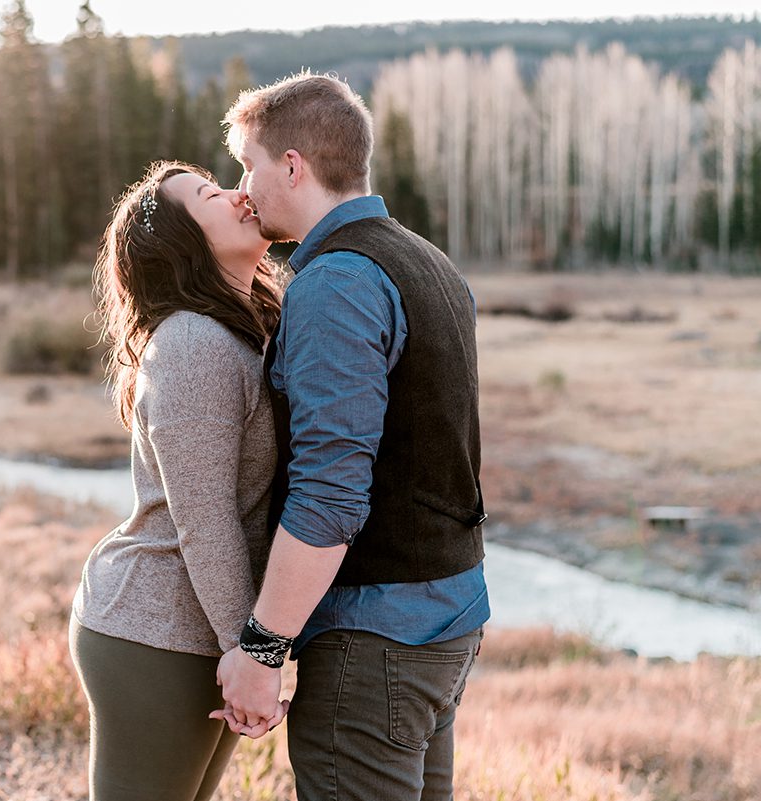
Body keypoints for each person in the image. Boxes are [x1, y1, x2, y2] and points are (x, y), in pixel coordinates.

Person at [212, 73, 491, 801]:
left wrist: (262, 646)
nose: (244, 187)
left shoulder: (337, 282)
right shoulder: (432, 263)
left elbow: (332, 494)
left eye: (250, 164)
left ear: (294, 165)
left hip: (377, 640)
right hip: (449, 618)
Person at [69, 160, 285, 801]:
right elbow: (205, 517)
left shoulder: (245, 329)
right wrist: (252, 654)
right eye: (210, 195)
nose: (237, 194)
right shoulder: (193, 343)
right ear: (182, 244)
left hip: (202, 633)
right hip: (153, 632)